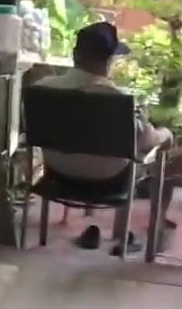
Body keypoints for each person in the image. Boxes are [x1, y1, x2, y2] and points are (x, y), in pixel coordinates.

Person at [39, 22, 174, 252]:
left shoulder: (43, 89)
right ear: (110, 60)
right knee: (153, 147)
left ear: (75, 54)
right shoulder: (120, 100)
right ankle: (133, 236)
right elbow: (145, 141)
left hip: (56, 176)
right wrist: (166, 134)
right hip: (110, 182)